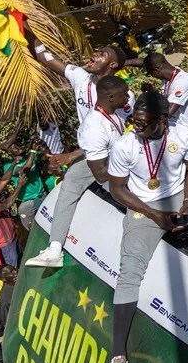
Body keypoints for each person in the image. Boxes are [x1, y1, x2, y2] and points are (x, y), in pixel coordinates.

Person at [104, 92, 188, 363]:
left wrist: (187, 203)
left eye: (142, 123)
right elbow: (118, 189)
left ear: (162, 120)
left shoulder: (184, 134)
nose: (135, 127)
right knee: (129, 274)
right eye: (133, 121)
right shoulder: (125, 145)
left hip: (179, 199)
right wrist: (154, 215)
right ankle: (118, 357)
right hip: (142, 206)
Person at [25, 75, 131, 269]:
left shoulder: (111, 114)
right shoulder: (94, 125)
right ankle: (55, 249)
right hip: (110, 168)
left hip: (113, 160)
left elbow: (97, 147)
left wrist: (73, 155)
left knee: (73, 177)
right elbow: (100, 172)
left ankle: (55, 248)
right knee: (73, 180)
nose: (128, 99)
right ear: (111, 98)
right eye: (125, 96)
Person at [25, 24, 132, 127]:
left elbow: (127, 128)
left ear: (113, 64)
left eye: (102, 54)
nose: (95, 54)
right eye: (97, 51)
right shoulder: (80, 77)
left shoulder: (124, 94)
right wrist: (21, 19)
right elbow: (43, 56)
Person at [143, 53, 188, 131]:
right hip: (174, 128)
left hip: (186, 131)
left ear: (156, 70)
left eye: (150, 73)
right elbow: (164, 102)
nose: (152, 76)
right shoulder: (167, 78)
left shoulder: (182, 81)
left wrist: (144, 119)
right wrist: (153, 93)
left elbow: (168, 112)